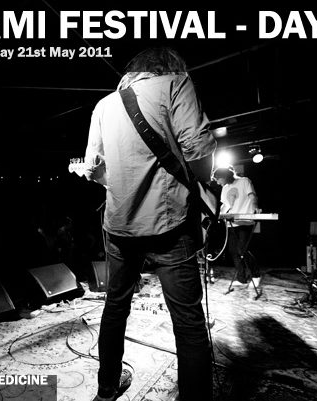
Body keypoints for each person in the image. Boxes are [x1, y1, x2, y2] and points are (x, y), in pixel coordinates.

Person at [84, 47, 216, 401]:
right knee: (187, 322)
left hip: (119, 226)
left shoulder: (103, 105)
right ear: (170, 67)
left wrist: (125, 186)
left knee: (115, 307)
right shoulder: (176, 84)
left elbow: (95, 170)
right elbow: (199, 153)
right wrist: (200, 182)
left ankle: (107, 388)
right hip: (169, 223)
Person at [213, 166, 261, 288]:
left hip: (245, 221)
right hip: (232, 222)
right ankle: (241, 278)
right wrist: (219, 214)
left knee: (242, 250)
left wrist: (256, 208)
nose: (218, 183)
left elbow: (252, 196)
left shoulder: (244, 181)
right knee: (233, 251)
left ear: (224, 176)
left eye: (218, 179)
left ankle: (256, 275)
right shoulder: (225, 188)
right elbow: (225, 204)